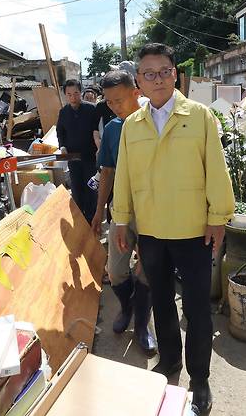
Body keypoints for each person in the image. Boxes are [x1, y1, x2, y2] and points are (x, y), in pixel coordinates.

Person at [112, 43, 234, 415]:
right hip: (150, 231)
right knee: (162, 304)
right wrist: (121, 219)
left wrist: (219, 216)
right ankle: (169, 366)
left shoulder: (199, 117)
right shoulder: (132, 126)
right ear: (139, 83)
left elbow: (216, 166)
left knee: (197, 309)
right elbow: (125, 176)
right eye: (149, 74)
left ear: (176, 74)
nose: (158, 79)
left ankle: (200, 380)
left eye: (165, 71)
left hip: (194, 230)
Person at [91, 70, 157, 356]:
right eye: (109, 102)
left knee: (146, 271)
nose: (115, 106)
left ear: (136, 92)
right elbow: (107, 170)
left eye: (119, 100)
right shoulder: (114, 130)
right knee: (116, 270)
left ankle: (143, 326)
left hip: (153, 210)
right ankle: (127, 308)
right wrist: (98, 211)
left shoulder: (155, 122)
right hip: (121, 211)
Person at [56, 79, 100, 223]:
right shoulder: (63, 112)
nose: (73, 97)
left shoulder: (91, 109)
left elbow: (98, 130)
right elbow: (60, 132)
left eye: (76, 93)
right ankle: (80, 221)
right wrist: (62, 146)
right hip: (73, 158)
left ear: (80, 92)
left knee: (91, 189)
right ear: (65, 96)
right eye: (69, 95)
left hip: (90, 157)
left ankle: (92, 222)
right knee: (76, 189)